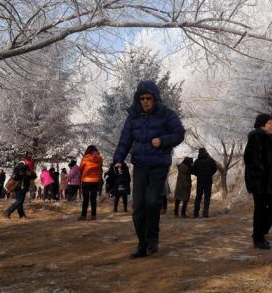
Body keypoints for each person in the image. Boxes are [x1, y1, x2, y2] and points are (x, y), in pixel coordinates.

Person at [113, 80, 185, 259]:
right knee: (138, 207)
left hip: (159, 165)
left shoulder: (167, 114)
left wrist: (163, 141)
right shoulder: (133, 116)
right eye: (141, 98)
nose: (145, 101)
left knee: (152, 202)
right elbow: (125, 139)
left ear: (155, 98)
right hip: (139, 165)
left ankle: (152, 239)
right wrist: (118, 159)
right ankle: (142, 244)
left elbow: (179, 134)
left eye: (148, 98)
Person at [243, 114, 272, 250]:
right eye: (269, 123)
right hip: (260, 183)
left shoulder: (268, 139)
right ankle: (258, 239)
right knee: (260, 209)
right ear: (261, 124)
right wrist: (258, 176)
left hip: (271, 183)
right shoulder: (256, 137)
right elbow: (251, 159)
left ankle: (260, 232)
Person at [4, 153, 37, 219]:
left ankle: (21, 215)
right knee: (20, 201)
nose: (30, 158)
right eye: (29, 157)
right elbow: (17, 175)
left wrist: (31, 175)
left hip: (21, 185)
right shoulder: (22, 165)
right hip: (20, 185)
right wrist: (27, 174)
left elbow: (32, 176)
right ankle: (8, 212)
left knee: (19, 201)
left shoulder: (26, 165)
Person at [191, 148, 218, 218]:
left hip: (200, 181)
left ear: (199, 153)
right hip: (208, 181)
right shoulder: (210, 160)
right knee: (207, 197)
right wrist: (210, 174)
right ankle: (205, 213)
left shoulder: (197, 161)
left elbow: (193, 171)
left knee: (198, 196)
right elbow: (215, 168)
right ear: (205, 152)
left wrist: (199, 175)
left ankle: (195, 213)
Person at [79, 146, 103, 220]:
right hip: (95, 181)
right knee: (93, 199)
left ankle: (83, 216)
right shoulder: (100, 159)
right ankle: (93, 215)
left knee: (85, 198)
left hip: (86, 180)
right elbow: (100, 168)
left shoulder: (85, 158)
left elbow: (80, 168)